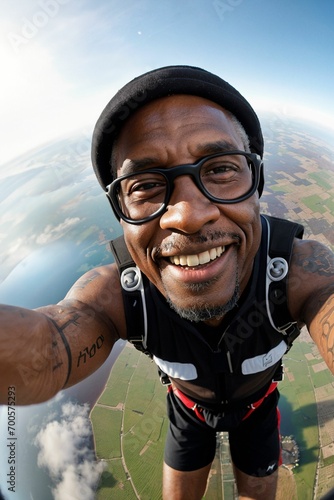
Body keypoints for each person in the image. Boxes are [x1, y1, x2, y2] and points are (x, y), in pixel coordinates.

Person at [1, 65, 333, 500]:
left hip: (257, 411)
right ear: (121, 213)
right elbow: (49, 349)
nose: (189, 215)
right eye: (146, 185)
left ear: (257, 184)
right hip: (188, 416)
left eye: (220, 170)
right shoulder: (120, 294)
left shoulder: (297, 268)